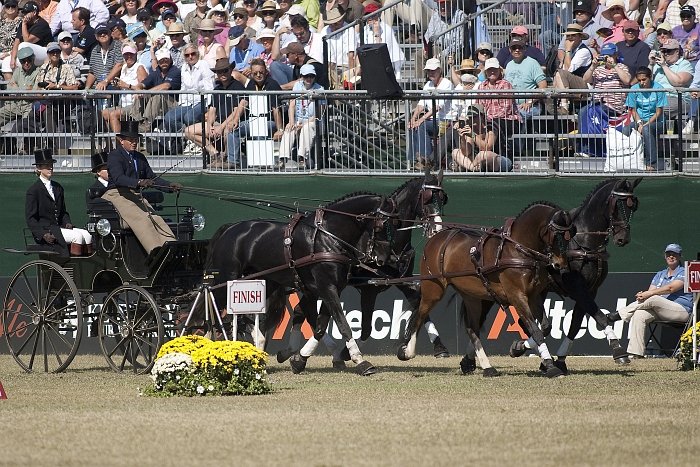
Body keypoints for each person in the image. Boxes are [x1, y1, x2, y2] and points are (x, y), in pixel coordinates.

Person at [103, 120, 182, 254]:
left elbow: (152, 177)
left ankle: (172, 249)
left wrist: (169, 186)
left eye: (136, 139)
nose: (134, 142)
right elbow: (118, 178)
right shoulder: (114, 156)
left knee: (156, 218)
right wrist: (139, 182)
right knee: (142, 220)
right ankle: (155, 252)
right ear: (121, 141)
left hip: (135, 196)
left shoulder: (140, 157)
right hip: (117, 195)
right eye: (131, 140)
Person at [607, 243, 693, 359]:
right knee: (639, 314)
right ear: (665, 256)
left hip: (681, 311)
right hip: (661, 310)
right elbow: (650, 293)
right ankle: (636, 353)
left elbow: (671, 288)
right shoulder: (660, 274)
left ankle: (620, 314)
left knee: (653, 298)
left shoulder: (684, 272)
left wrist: (648, 294)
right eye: (668, 254)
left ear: (679, 256)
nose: (671, 256)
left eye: (674, 254)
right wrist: (642, 295)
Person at [26, 148, 93, 256]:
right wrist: (43, 234)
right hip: (47, 230)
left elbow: (63, 212)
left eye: (51, 164)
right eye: (46, 165)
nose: (50, 167)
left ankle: (86, 266)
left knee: (87, 234)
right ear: (38, 168)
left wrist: (67, 222)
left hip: (58, 228)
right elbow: (31, 219)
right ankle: (73, 265)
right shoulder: (34, 191)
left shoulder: (58, 188)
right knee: (78, 236)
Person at [183, 58, 245, 169]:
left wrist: (221, 127)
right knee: (188, 131)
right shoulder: (217, 88)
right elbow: (212, 109)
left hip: (233, 123)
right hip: (217, 123)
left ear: (231, 70)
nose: (222, 74)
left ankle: (226, 158)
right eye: (219, 71)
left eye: (225, 70)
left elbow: (236, 111)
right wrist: (209, 125)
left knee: (229, 132)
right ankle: (214, 154)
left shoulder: (238, 86)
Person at [162, 43, 214, 154]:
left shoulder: (203, 64)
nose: (190, 57)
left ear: (197, 54)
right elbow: (183, 87)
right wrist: (181, 103)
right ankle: (187, 138)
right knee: (169, 117)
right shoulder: (184, 67)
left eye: (193, 54)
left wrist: (209, 106)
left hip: (202, 100)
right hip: (188, 101)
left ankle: (196, 143)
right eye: (187, 55)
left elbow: (209, 85)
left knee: (189, 117)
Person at [407, 57, 453, 170]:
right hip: (433, 120)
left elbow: (437, 107)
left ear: (440, 70)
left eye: (433, 70)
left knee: (421, 125)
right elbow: (421, 104)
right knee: (412, 126)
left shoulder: (447, 83)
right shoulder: (428, 85)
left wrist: (420, 120)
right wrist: (413, 118)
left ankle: (426, 159)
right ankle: (415, 159)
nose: (431, 72)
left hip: (445, 120)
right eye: (429, 70)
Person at [277, 63, 324, 170]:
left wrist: (304, 124)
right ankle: (282, 158)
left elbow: (320, 111)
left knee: (307, 128)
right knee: (289, 128)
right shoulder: (297, 86)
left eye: (311, 76)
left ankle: (302, 157)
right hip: (300, 120)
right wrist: (291, 121)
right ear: (302, 76)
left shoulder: (320, 88)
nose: (309, 78)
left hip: (315, 121)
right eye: (306, 76)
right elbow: (292, 104)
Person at [622, 66, 668, 170]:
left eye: (644, 79)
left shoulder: (658, 88)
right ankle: (628, 160)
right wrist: (639, 123)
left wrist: (645, 125)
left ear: (650, 77)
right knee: (626, 129)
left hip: (657, 121)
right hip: (640, 120)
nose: (642, 82)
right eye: (639, 80)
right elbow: (633, 110)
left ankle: (651, 163)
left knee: (647, 129)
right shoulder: (634, 89)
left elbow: (659, 112)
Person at [102, 44, 148, 135]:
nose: (129, 56)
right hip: (123, 104)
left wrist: (127, 85)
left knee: (113, 114)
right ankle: (110, 144)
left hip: (136, 105)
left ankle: (119, 144)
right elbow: (122, 83)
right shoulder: (123, 68)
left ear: (136, 54)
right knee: (103, 114)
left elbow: (144, 88)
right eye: (126, 54)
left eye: (131, 54)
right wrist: (117, 85)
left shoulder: (139, 67)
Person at [451, 104, 511, 172]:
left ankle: (467, 167)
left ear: (482, 116)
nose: (471, 119)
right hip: (478, 161)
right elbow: (467, 152)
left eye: (474, 117)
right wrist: (462, 138)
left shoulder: (491, 127)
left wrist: (473, 135)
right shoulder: (470, 128)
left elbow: (487, 147)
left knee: (484, 154)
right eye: (470, 117)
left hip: (500, 159)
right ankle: (473, 168)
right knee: (455, 152)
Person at [649, 38, 693, 117]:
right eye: (663, 51)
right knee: (637, 105)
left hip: (677, 98)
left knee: (660, 107)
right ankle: (641, 127)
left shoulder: (684, 64)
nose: (665, 54)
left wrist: (664, 66)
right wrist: (651, 64)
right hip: (657, 97)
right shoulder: (656, 65)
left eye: (668, 51)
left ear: (677, 52)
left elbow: (678, 82)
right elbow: (645, 83)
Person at [321, 7, 356, 89]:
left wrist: (350, 76)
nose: (332, 26)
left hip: (345, 66)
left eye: (335, 23)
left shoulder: (349, 30)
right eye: (330, 24)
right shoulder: (324, 31)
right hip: (330, 67)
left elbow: (351, 55)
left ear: (341, 20)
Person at [0, 0, 21, 80]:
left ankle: (12, 92)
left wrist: (8, 53)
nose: (10, 8)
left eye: (13, 6)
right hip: (1, 52)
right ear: (4, 8)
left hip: (13, 53)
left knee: (6, 62)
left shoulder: (21, 22)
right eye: (8, 6)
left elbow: (21, 41)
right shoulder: (1, 23)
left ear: (17, 8)